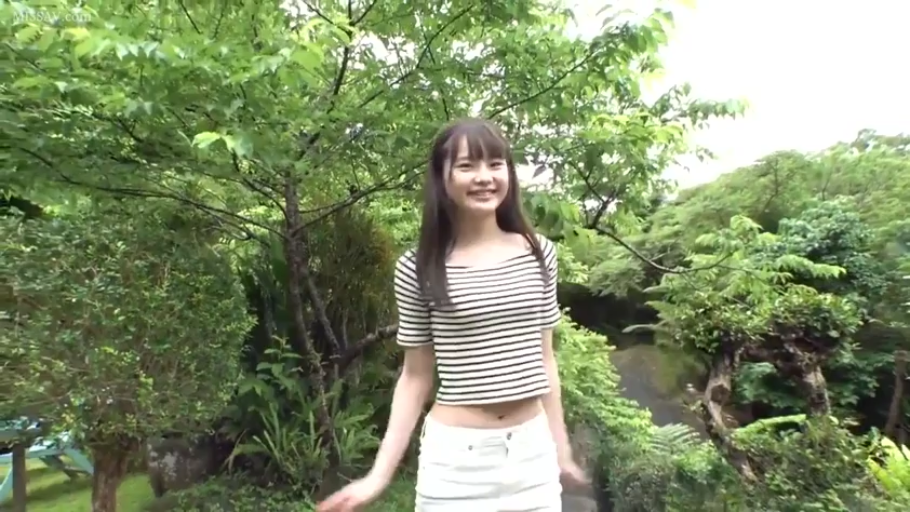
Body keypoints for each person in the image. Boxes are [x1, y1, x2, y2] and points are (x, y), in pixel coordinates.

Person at [317, 118, 588, 512]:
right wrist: (378, 475)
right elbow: (415, 376)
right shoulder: (418, 267)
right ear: (442, 177)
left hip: (533, 458)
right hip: (457, 463)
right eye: (466, 166)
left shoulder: (538, 251)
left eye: (495, 164)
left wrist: (561, 451)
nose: (484, 177)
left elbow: (545, 359)